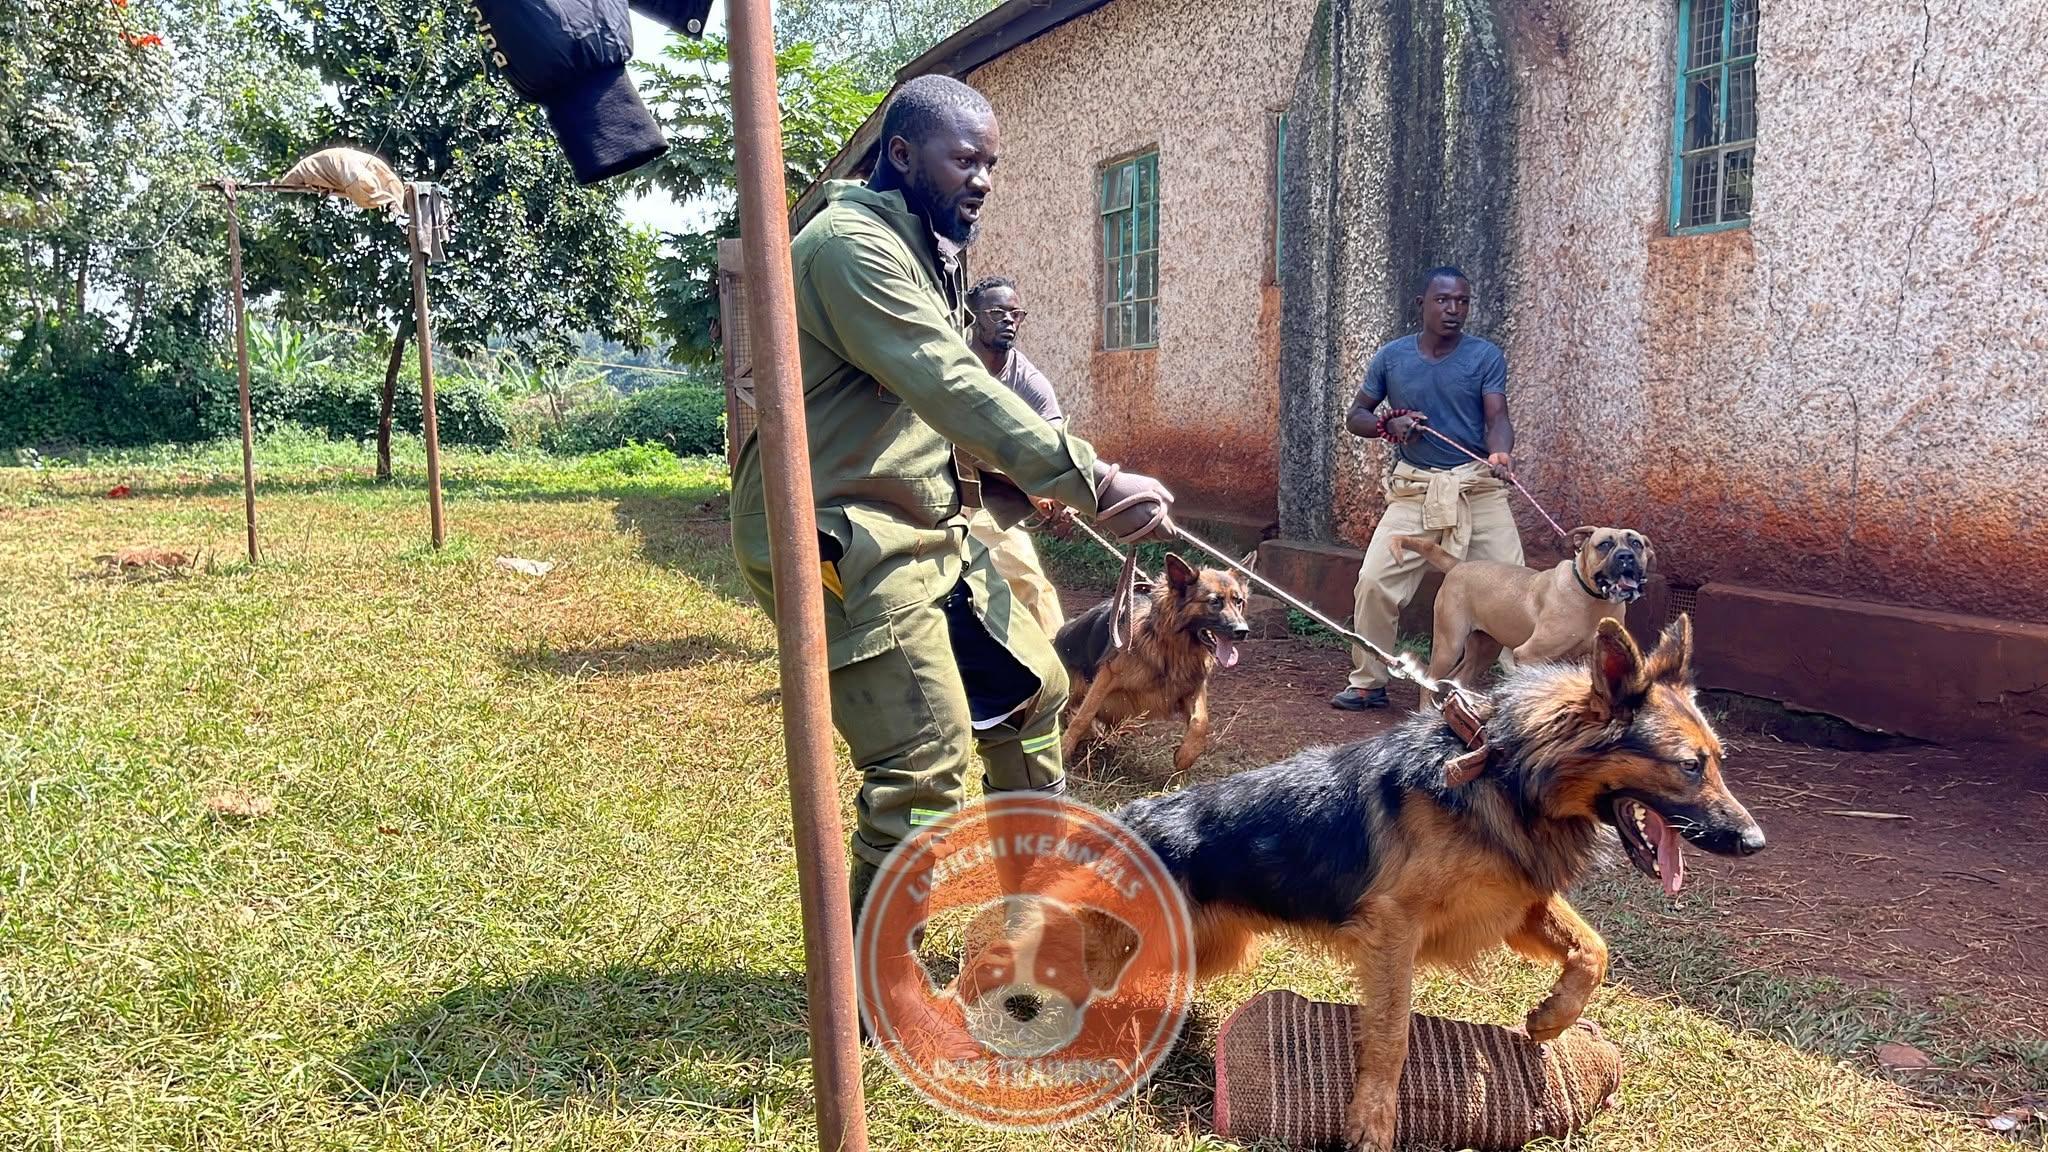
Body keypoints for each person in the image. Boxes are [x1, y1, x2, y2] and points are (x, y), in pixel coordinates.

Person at [727, 76, 1176, 917]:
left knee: (1035, 693)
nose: (983, 180)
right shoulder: (849, 248)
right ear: (901, 155)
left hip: (931, 526)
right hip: (836, 533)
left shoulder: (928, 246)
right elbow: (947, 381)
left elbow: (946, 405)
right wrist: (1092, 478)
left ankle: (1033, 918)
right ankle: (872, 989)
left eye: (992, 164)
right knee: (921, 766)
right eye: (964, 159)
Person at [1330, 266, 1524, 710]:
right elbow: (1355, 415)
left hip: (1477, 490)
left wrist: (1500, 455)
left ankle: (1523, 696)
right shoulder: (1392, 358)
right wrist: (1387, 424)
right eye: (1443, 300)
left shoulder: (1485, 356)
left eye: (1462, 301)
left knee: (1514, 590)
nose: (1453, 309)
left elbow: (1498, 418)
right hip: (1415, 491)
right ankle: (1368, 680)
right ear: (1421, 304)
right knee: (1374, 581)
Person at [962, 275, 1067, 638]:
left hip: (988, 500)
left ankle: (1065, 671)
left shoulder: (1027, 379)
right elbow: (962, 440)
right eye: (996, 312)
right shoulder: (950, 362)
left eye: (1016, 313)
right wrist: (1028, 485)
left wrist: (1061, 489)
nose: (1008, 320)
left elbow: (1053, 444)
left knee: (1032, 585)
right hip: (931, 485)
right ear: (971, 317)